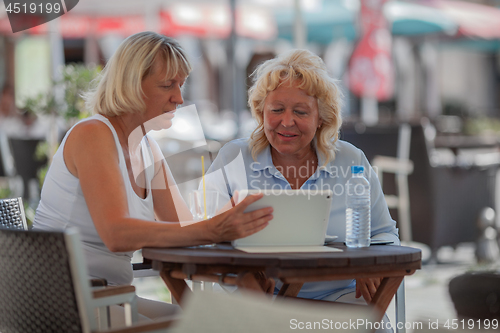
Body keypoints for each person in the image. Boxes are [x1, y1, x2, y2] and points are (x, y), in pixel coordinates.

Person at [33, 31, 273, 327]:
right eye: (167, 85)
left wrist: (229, 224)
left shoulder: (148, 148)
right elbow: (117, 234)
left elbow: (183, 230)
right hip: (62, 303)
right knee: (208, 325)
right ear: (131, 84)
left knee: (216, 321)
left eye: (181, 84)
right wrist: (212, 230)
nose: (180, 98)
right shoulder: (93, 134)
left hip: (107, 297)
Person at [203, 49, 399, 330]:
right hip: (253, 301)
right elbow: (205, 231)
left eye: (300, 112)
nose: (286, 121)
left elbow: (384, 235)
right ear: (261, 111)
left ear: (321, 117)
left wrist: (372, 265)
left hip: (338, 299)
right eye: (277, 109)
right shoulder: (233, 157)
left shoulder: (351, 160)